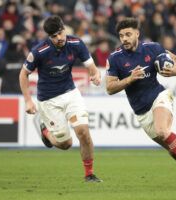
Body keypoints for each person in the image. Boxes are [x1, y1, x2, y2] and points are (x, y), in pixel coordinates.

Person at [105, 18, 176, 189]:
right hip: (141, 112)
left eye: (128, 34)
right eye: (121, 36)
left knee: (163, 131)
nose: (124, 39)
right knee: (172, 150)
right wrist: (130, 78)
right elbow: (110, 88)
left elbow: (174, 61)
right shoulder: (115, 58)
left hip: (159, 96)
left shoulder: (153, 48)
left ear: (137, 34)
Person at [19, 15, 102, 182]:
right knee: (66, 144)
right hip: (49, 100)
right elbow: (23, 74)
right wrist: (28, 100)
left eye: (60, 33)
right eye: (53, 36)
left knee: (83, 132)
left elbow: (92, 67)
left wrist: (96, 75)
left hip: (71, 93)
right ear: (49, 37)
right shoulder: (39, 52)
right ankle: (45, 132)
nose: (58, 38)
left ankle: (89, 174)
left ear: (64, 29)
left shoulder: (76, 43)